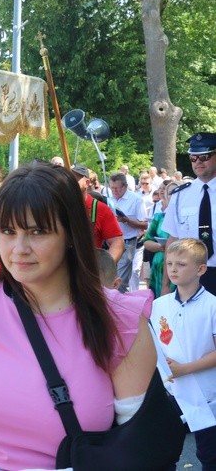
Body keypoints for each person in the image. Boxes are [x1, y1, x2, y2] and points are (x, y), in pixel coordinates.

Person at [0, 162, 156, 470]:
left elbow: (139, 450)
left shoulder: (120, 320)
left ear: (71, 234)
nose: (19, 248)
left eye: (37, 231)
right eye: (8, 231)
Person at [151, 238, 216, 470]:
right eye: (169, 264)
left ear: (200, 269)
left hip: (206, 393)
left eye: (181, 264)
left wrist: (184, 369)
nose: (173, 269)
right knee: (165, 452)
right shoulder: (159, 304)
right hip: (170, 392)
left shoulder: (212, 306)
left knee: (209, 454)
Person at [163, 132, 216, 296]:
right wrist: (165, 285)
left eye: (204, 157)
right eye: (193, 157)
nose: (198, 162)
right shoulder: (180, 195)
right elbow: (172, 240)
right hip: (190, 276)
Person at [71, 164, 124, 263]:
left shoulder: (101, 209)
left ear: (87, 183)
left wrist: (105, 267)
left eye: (74, 180)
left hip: (90, 272)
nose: (69, 183)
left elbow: (117, 242)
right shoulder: (57, 208)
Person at [108, 172, 148, 292]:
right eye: (112, 188)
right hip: (109, 242)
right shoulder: (108, 199)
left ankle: (117, 303)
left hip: (128, 242)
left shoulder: (136, 200)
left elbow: (144, 224)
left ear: (125, 186)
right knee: (109, 275)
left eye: (117, 188)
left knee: (121, 278)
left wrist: (126, 220)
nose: (114, 191)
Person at [143, 180, 182, 297]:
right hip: (159, 267)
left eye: (177, 191)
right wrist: (161, 246)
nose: (174, 195)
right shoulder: (159, 217)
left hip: (181, 267)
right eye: (170, 192)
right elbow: (147, 241)